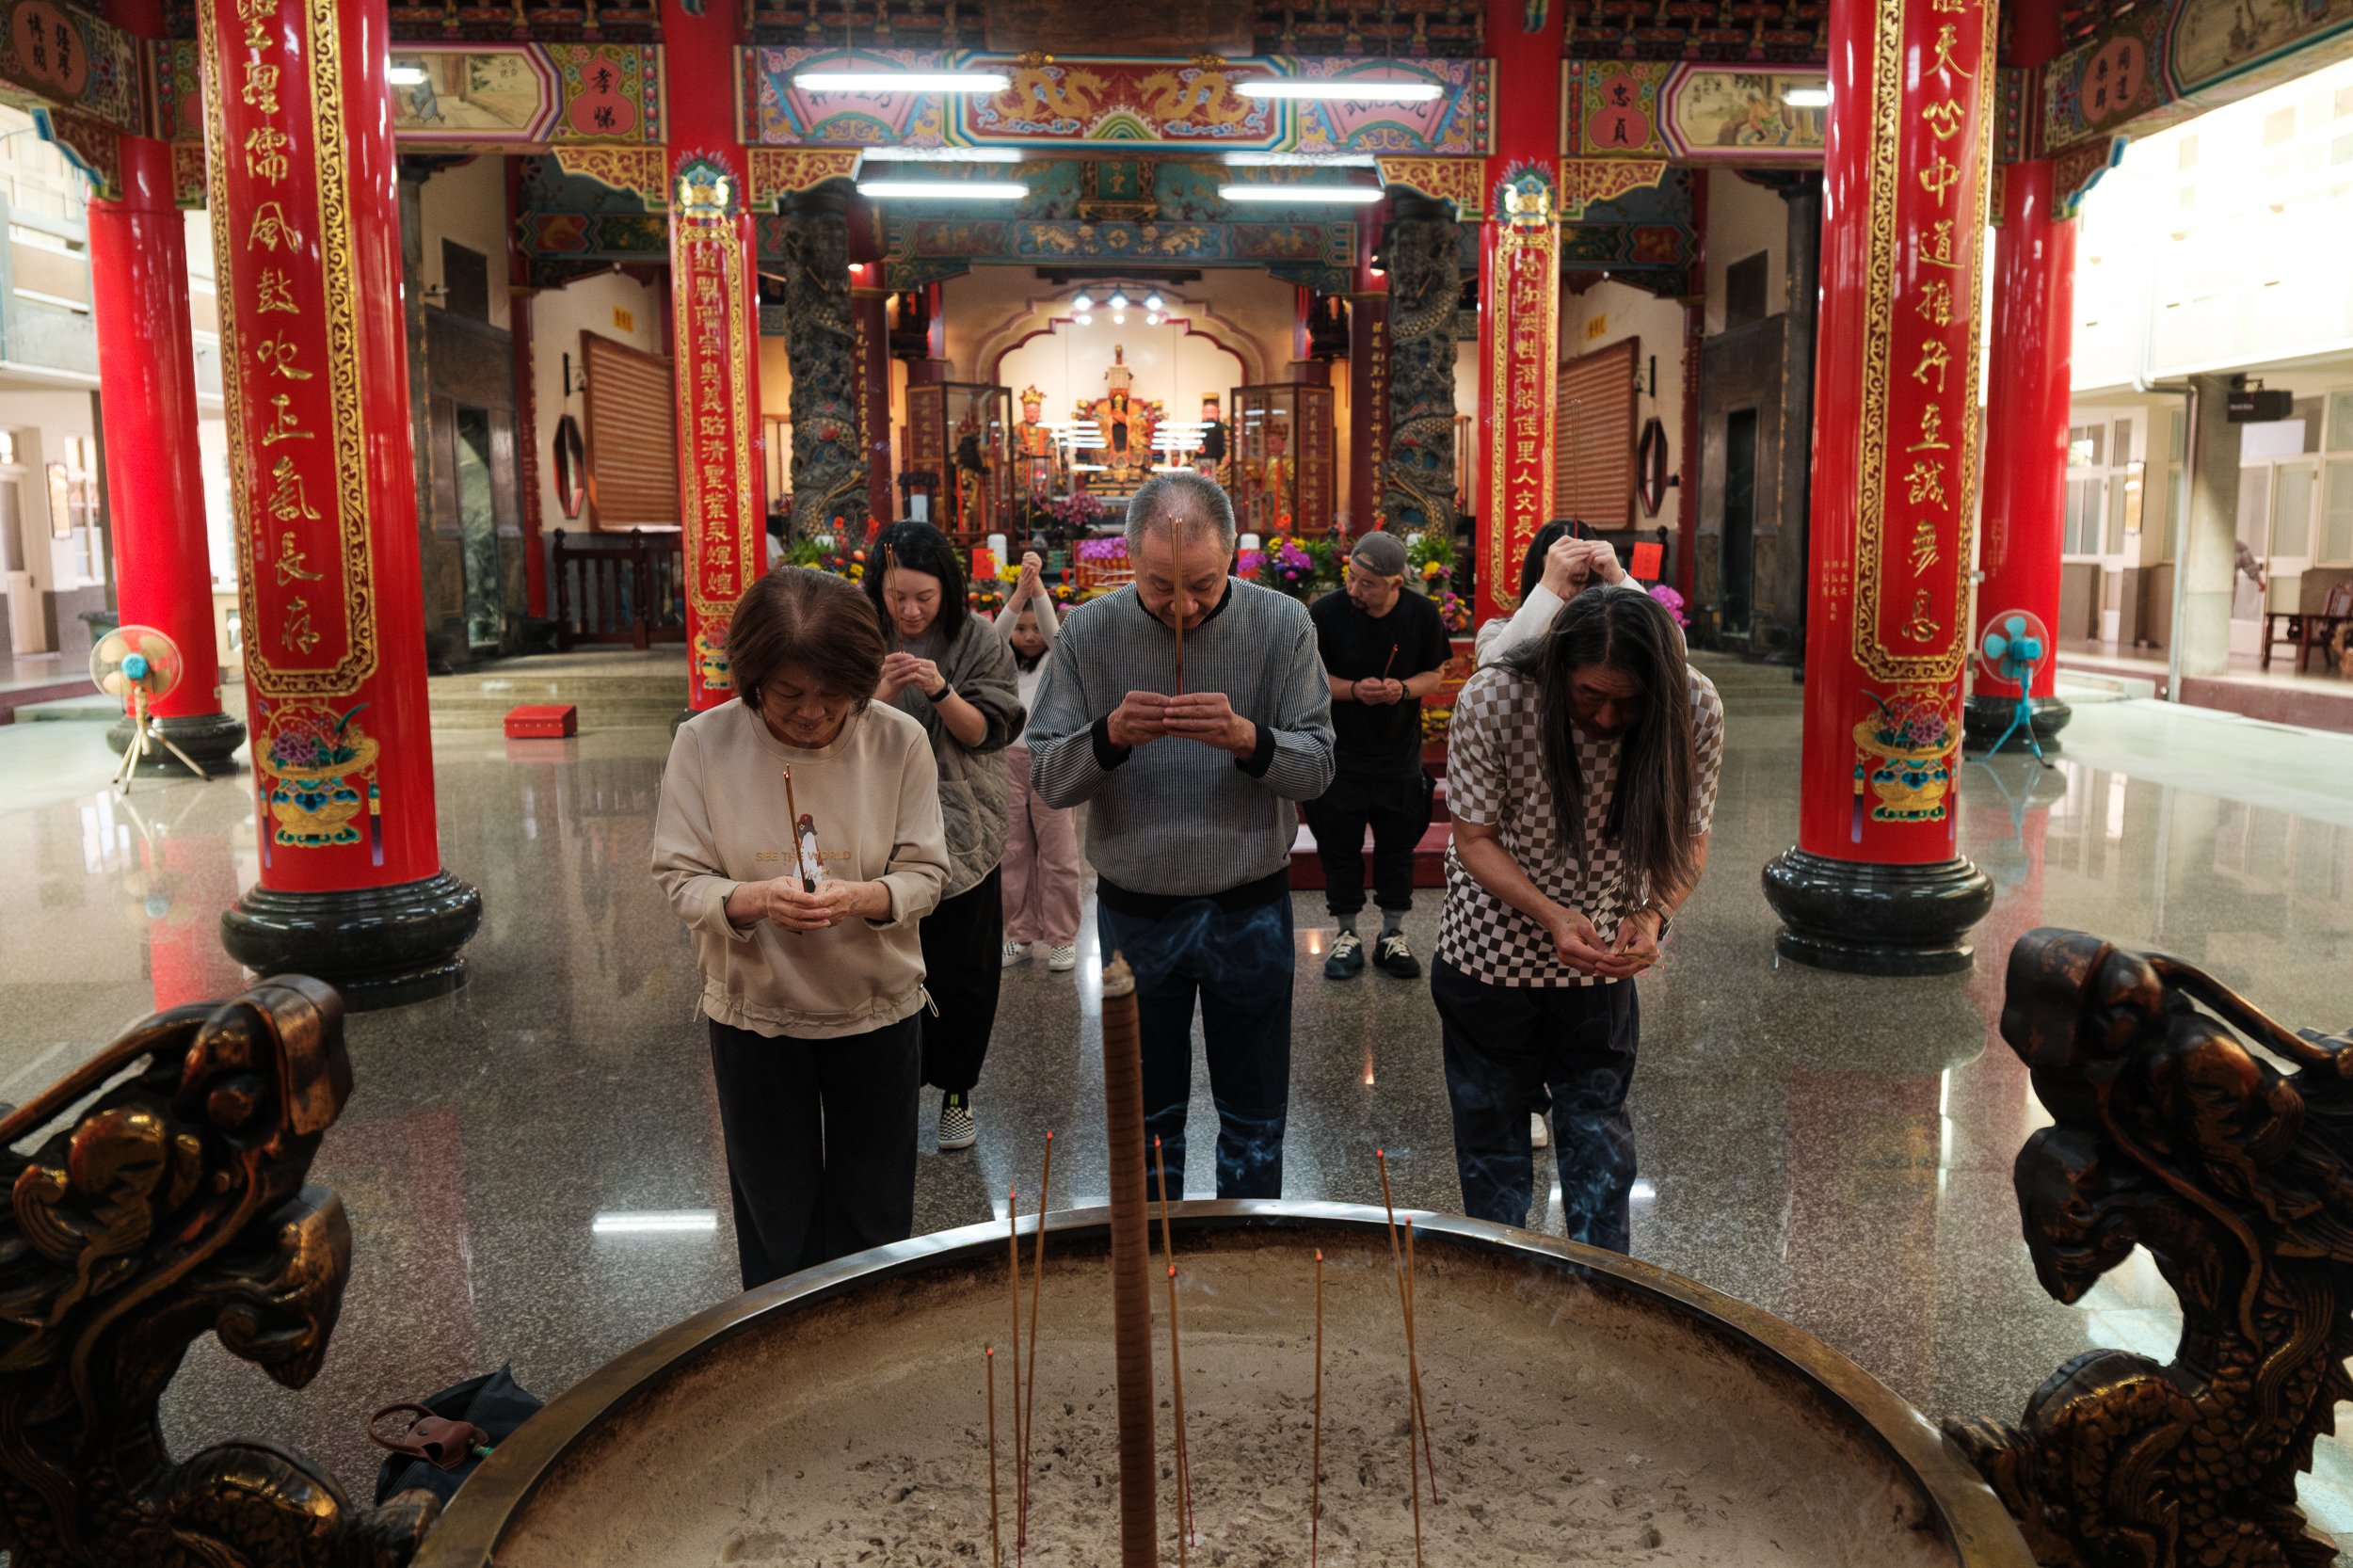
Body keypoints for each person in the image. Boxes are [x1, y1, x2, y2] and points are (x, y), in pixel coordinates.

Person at [1027, 471, 1335, 1200]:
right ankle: (1152, 1260)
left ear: (1233, 556)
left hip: (1249, 903)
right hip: (1136, 909)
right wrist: (1106, 738)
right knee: (1146, 1111)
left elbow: (1318, 767)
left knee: (1255, 1109)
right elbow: (1047, 777)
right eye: (1161, 588)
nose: (1184, 608)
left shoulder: (1282, 624)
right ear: (1127, 561)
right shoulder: (1091, 631)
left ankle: (1250, 1247)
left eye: (1203, 584)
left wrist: (1248, 739)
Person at [650, 568, 950, 1289]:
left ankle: (867, 1349)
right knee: (774, 1219)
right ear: (753, 681)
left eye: (833, 695)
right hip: (757, 1015)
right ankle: (782, 1359)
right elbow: (680, 877)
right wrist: (751, 900)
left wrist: (865, 898)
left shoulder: (898, 741)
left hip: (875, 1008)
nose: (813, 715)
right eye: (789, 696)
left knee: (874, 1216)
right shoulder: (704, 742)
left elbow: (927, 874)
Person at [1433, 584, 1722, 1253]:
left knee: (1598, 1137)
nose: (1608, 714)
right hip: (1489, 952)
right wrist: (1552, 915)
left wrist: (1652, 915)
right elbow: (1474, 838)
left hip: (1601, 961)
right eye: (1589, 695)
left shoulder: (1693, 705)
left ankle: (1602, 1294)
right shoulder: (1497, 698)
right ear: (1558, 667)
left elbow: (1692, 836)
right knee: (1492, 1134)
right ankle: (1501, 1279)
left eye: (1629, 700)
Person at [867, 520, 1026, 1153]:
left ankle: (957, 1093)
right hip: (876, 831)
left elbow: (987, 730)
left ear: (947, 592)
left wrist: (938, 688)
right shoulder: (858, 635)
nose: (908, 610)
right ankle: (892, 1090)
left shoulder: (978, 639)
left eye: (922, 599)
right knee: (885, 968)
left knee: (963, 972)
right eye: (896, 596)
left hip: (963, 826)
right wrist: (879, 692)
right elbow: (834, 729)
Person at [1305, 531, 1452, 981]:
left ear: (1395, 583)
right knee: (1339, 847)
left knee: (1397, 848)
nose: (1354, 591)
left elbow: (1436, 673)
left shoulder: (1422, 613)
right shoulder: (1326, 612)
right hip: (1339, 753)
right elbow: (1308, 678)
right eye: (1351, 578)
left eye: (1367, 584)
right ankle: (1346, 933)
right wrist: (1353, 691)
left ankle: (1393, 933)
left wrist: (1403, 689)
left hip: (1397, 756)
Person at [997, 552, 1081, 973]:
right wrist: (1017, 598)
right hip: (1007, 760)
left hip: (1051, 761)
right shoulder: (1003, 661)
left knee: (1058, 851)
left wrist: (1038, 590)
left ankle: (1062, 937)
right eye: (1022, 629)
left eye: (1035, 629)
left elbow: (1053, 631)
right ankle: (1018, 933)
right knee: (1012, 851)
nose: (1029, 636)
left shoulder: (1057, 658)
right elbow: (995, 636)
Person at [1476, 520, 1627, 667]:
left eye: (1577, 581)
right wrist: (1547, 588)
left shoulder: (1608, 636)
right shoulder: (1495, 631)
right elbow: (1492, 671)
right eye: (1552, 580)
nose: (1565, 593)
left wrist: (1619, 578)